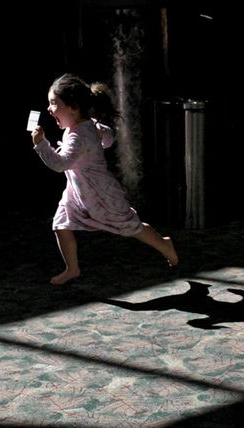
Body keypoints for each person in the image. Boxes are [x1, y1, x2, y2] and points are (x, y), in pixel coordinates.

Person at [31, 73, 178, 285]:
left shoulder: (79, 135)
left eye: (54, 103)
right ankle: (72, 269)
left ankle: (164, 245)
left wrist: (41, 144)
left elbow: (60, 164)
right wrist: (97, 132)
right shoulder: (84, 126)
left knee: (129, 225)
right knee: (61, 224)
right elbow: (107, 140)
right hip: (78, 192)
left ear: (73, 107)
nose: (49, 109)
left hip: (101, 195)